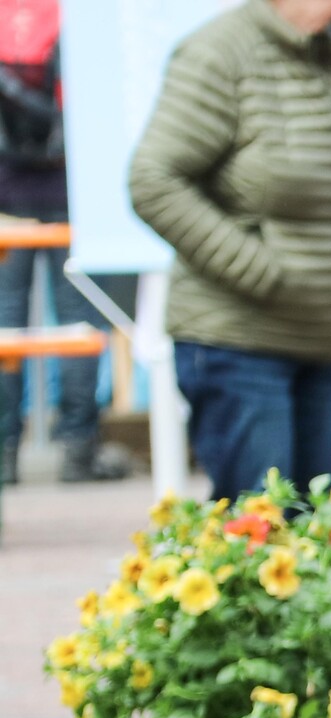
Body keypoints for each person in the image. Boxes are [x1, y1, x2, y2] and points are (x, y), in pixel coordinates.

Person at [129, 0, 331, 504]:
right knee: (260, 537)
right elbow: (153, 181)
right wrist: (266, 273)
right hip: (241, 343)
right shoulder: (220, 53)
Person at [0, 0, 128, 486]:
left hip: (5, 192)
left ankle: (4, 457)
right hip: (73, 188)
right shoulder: (78, 14)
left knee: (4, 325)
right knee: (78, 322)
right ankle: (78, 452)